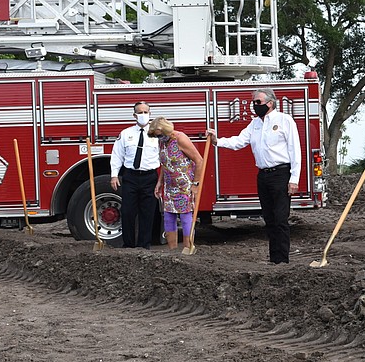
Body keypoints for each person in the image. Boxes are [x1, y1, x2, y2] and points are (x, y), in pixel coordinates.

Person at [208, 88, 301, 264]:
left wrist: (294, 179)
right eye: (253, 102)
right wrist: (217, 141)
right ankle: (274, 258)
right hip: (263, 175)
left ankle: (283, 260)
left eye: (258, 102)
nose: (255, 105)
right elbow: (239, 141)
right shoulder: (255, 124)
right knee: (269, 219)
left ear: (270, 103)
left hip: (281, 173)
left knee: (281, 219)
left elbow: (295, 150)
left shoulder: (285, 120)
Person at [148, 117, 203, 251]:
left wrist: (196, 184)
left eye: (160, 135)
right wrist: (159, 182)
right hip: (169, 185)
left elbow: (199, 160)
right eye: (156, 136)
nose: (159, 138)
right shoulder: (162, 142)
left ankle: (188, 248)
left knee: (185, 216)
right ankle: (172, 250)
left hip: (184, 184)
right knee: (168, 216)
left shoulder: (180, 138)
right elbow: (165, 163)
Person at [110, 101, 160, 249]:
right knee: (127, 212)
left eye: (146, 112)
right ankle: (128, 245)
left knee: (148, 213)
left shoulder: (157, 134)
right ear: (134, 115)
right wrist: (114, 175)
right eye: (140, 112)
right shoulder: (126, 134)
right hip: (130, 177)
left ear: (150, 114)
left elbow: (164, 157)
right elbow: (117, 155)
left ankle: (144, 245)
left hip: (150, 177)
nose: (143, 115)